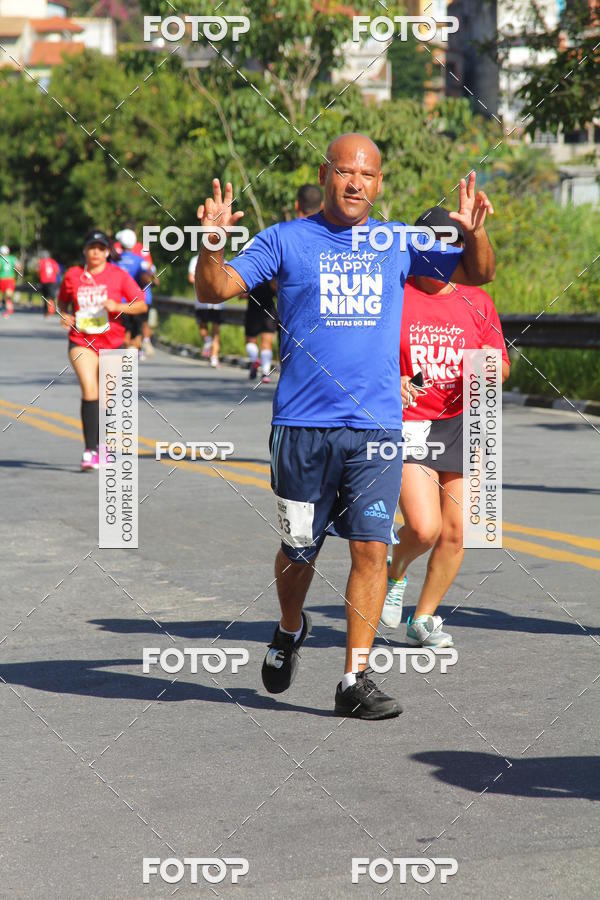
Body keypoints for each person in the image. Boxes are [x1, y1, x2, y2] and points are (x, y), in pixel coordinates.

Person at [195, 134, 495, 720]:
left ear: (380, 184)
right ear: (325, 174)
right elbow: (214, 289)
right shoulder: (285, 238)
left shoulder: (397, 241)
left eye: (368, 174)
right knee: (299, 551)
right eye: (344, 171)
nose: (356, 182)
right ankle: (289, 626)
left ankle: (353, 679)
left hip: (378, 430)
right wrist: (210, 247)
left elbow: (477, 274)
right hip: (302, 427)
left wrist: (474, 231)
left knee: (369, 548)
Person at [381, 206, 510, 646]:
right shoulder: (393, 294)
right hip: (411, 422)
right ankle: (394, 569)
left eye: (448, 244)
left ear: (459, 249)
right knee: (423, 527)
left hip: (468, 421)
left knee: (461, 530)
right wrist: (391, 380)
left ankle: (424, 620)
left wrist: (486, 371)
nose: (437, 252)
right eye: (427, 243)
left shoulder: (478, 301)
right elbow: (367, 355)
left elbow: (500, 365)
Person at [57, 230, 147, 471]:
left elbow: (141, 304)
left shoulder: (118, 276)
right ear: (85, 250)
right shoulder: (73, 275)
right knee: (90, 390)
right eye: (91, 247)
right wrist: (65, 315)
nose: (95, 252)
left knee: (106, 398)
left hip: (113, 342)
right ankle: (90, 451)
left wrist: (117, 306)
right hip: (81, 340)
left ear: (107, 251)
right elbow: (63, 302)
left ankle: (104, 446)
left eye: (100, 248)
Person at [115, 227, 158, 357]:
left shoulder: (113, 261)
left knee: (123, 333)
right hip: (138, 303)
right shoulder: (140, 261)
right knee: (137, 331)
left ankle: (124, 357)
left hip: (120, 303)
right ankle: (137, 350)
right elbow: (149, 279)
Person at [188, 254, 224, 367]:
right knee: (216, 331)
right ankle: (214, 358)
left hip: (203, 300)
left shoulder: (196, 259)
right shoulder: (223, 260)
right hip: (217, 301)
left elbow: (191, 278)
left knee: (203, 326)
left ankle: (209, 345)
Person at [243, 279, 277, 382]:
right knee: (267, 344)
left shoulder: (251, 273)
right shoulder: (273, 273)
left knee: (250, 341)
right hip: (269, 312)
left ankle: (254, 360)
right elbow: (277, 290)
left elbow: (242, 294)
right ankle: (265, 373)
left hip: (253, 311)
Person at [38, 250, 60, 317]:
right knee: (52, 296)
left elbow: (38, 270)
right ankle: (53, 308)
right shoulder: (53, 261)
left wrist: (40, 276)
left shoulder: (41, 262)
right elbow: (57, 271)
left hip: (44, 281)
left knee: (45, 296)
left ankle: (47, 310)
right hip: (53, 281)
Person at [0, 245, 17, 317]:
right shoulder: (13, 258)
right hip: (10, 278)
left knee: (4, 295)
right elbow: (18, 266)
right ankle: (8, 308)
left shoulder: (1, 259)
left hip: (2, 279)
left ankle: (6, 308)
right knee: (8, 295)